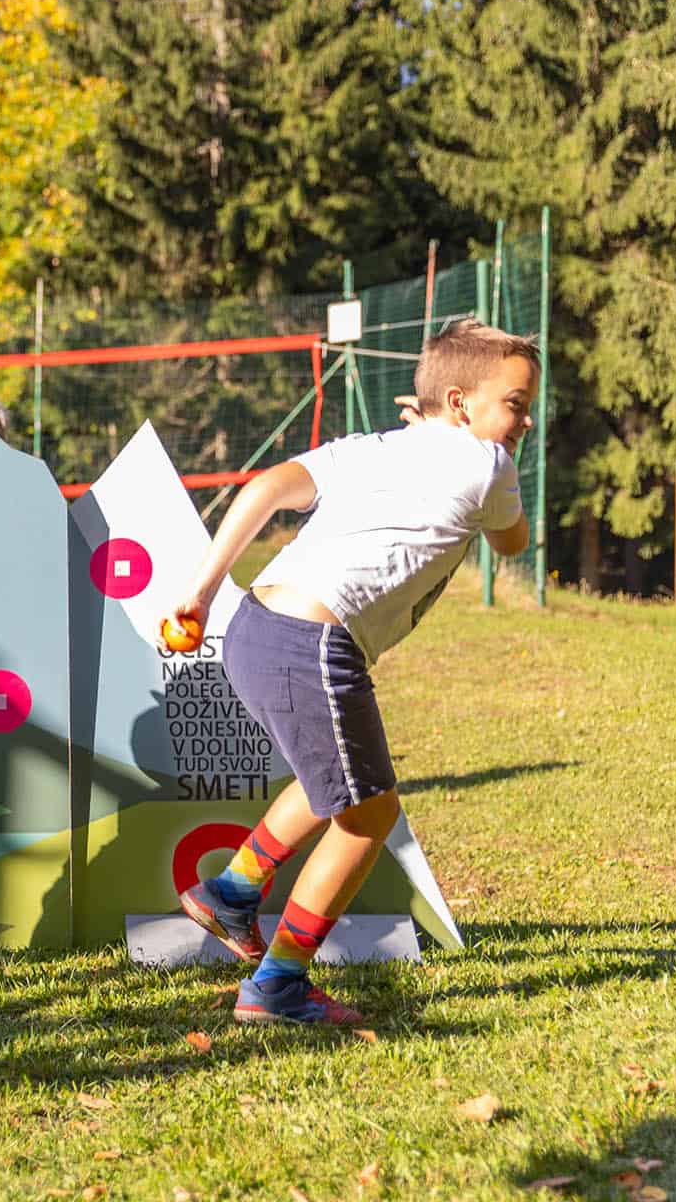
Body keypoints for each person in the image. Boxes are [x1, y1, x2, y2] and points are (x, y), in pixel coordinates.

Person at [170, 319, 536, 1025]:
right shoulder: (488, 465)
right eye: (515, 404)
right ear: (459, 403)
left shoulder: (370, 448)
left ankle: (233, 893)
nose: (525, 420)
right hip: (313, 639)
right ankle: (275, 985)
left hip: (255, 624)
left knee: (336, 783)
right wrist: (470, 459)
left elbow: (268, 487)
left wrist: (201, 590)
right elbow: (514, 539)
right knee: (371, 816)